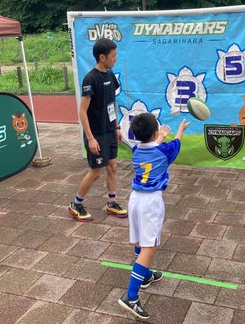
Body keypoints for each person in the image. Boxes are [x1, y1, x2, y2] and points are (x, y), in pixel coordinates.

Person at [118, 113, 189, 319]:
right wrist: (180, 130)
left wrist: (159, 136)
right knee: (149, 247)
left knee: (140, 240)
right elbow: (176, 142)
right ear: (155, 132)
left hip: (135, 200)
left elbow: (151, 146)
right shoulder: (165, 151)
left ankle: (146, 276)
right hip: (151, 203)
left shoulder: (136, 150)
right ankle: (131, 297)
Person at [67, 38, 127, 222]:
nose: (116, 59)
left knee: (113, 166)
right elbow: (82, 111)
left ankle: (111, 203)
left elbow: (112, 104)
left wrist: (116, 127)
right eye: (113, 55)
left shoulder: (110, 76)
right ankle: (76, 205)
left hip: (109, 131)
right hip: (96, 134)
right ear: (102, 57)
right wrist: (90, 138)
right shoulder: (90, 79)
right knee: (96, 171)